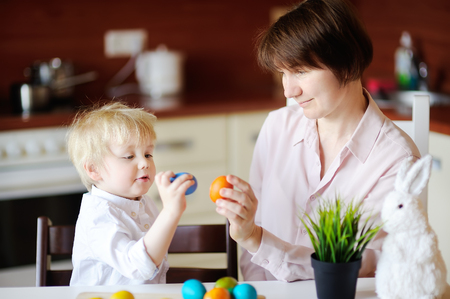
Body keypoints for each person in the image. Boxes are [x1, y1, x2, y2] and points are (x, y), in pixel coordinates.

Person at [214, 0, 420, 282]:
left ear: (347, 62)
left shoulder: (397, 159)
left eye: (300, 71)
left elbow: (363, 261)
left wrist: (254, 238)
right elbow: (255, 242)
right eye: (283, 73)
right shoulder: (277, 127)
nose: (289, 89)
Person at [67, 102, 194, 285]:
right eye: (129, 156)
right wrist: (170, 212)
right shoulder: (97, 217)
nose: (145, 163)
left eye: (148, 154)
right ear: (94, 169)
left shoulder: (145, 203)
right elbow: (137, 267)